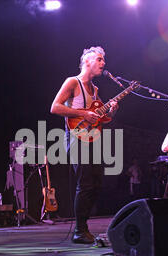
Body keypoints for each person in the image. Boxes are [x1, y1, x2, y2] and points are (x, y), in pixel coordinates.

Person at [50, 46, 118, 244]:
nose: (103, 63)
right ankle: (80, 230)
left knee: (96, 184)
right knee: (86, 183)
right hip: (74, 137)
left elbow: (100, 119)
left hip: (91, 138)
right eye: (99, 59)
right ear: (87, 61)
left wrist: (112, 111)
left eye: (103, 60)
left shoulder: (95, 90)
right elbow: (55, 107)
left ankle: (83, 227)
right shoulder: (73, 82)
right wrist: (83, 113)